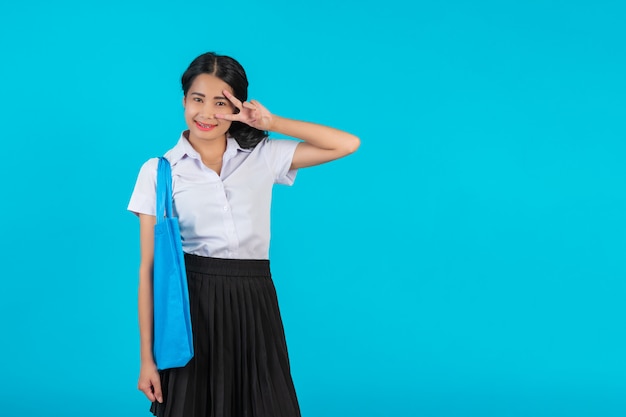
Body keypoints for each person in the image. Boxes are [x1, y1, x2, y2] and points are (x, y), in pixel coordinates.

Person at [128, 52, 360, 417]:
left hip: (255, 300)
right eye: (197, 100)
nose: (206, 113)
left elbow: (346, 144)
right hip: (193, 307)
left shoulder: (262, 156)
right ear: (184, 100)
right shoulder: (159, 171)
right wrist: (147, 360)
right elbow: (149, 270)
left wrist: (271, 121)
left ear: (237, 105)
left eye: (220, 103)